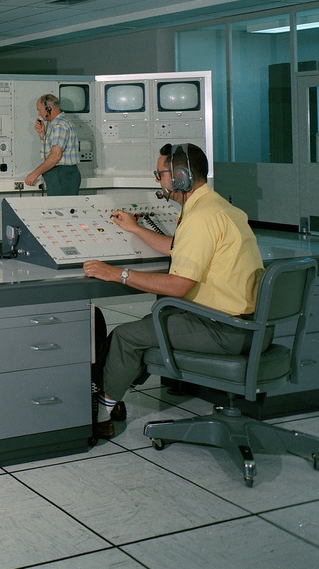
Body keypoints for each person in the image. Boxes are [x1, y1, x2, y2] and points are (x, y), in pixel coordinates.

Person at [82, 143, 264, 439]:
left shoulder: (200, 219)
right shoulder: (216, 207)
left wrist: (117, 273)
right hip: (245, 324)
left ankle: (102, 411)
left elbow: (179, 285)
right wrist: (136, 229)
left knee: (126, 336)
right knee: (150, 322)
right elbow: (177, 247)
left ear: (180, 177)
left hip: (223, 329)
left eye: (161, 174)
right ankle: (113, 395)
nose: (159, 181)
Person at [24, 93, 80, 195]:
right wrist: (42, 135)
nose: (39, 114)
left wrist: (35, 174)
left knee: (61, 208)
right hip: (61, 175)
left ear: (48, 109)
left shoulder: (59, 125)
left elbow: (55, 156)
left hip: (62, 175)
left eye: (39, 110)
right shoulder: (57, 124)